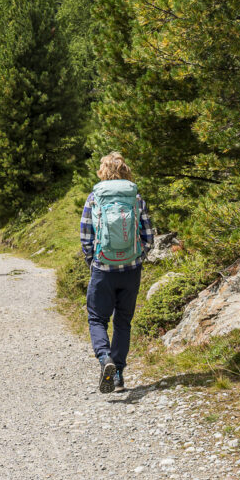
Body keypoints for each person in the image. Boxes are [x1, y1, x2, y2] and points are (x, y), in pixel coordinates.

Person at [79, 152, 154, 393]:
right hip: (131, 270)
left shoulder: (94, 198)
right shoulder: (136, 198)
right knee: (123, 321)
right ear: (125, 171)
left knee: (97, 318)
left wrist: (93, 261)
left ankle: (105, 360)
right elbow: (149, 237)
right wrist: (137, 258)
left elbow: (86, 235)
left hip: (103, 268)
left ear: (103, 171)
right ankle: (118, 375)